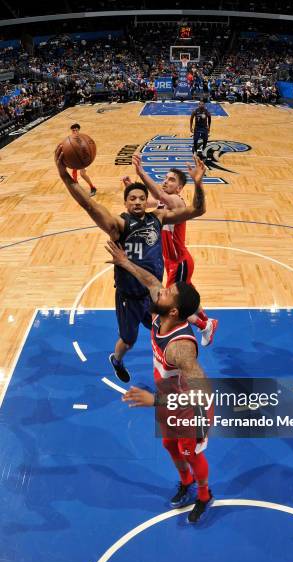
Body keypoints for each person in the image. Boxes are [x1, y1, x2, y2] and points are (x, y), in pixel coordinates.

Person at [55, 145, 207, 383]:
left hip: (155, 294)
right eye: (132, 198)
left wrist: (198, 183)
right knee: (129, 340)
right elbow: (89, 205)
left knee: (164, 328)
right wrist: (65, 175)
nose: (137, 202)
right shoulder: (119, 225)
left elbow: (198, 210)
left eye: (141, 198)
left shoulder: (159, 218)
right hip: (129, 298)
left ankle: (175, 362)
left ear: (147, 201)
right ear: (126, 203)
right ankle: (116, 359)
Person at [105, 240, 213, 524]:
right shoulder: (160, 310)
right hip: (170, 401)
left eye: (168, 292)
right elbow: (151, 279)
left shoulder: (180, 348)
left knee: (190, 453)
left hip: (191, 410)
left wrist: (154, 400)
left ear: (174, 311)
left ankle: (204, 494)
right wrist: (125, 262)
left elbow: (204, 394)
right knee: (169, 445)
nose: (161, 289)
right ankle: (185, 481)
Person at [123, 153, 218, 346]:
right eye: (165, 178)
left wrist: (141, 172)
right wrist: (130, 189)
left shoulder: (177, 202)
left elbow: (158, 194)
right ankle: (208, 321)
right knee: (188, 291)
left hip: (178, 262)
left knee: (170, 304)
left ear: (180, 188)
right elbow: (144, 204)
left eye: (171, 180)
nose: (166, 182)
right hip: (178, 261)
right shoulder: (162, 203)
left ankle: (202, 325)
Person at [70, 124, 97, 196]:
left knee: (82, 174)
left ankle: (93, 188)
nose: (74, 131)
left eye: (76, 130)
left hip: (84, 158)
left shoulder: (82, 138)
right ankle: (77, 188)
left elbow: (89, 146)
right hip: (76, 158)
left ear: (78, 130)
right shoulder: (70, 139)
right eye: (73, 130)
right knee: (74, 171)